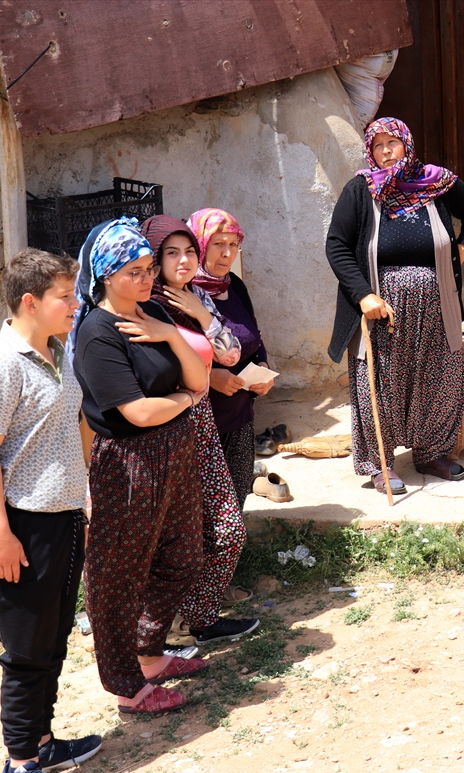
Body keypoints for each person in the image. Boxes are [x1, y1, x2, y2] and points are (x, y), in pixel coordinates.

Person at [0, 248, 101, 773]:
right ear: (30, 302)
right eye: (65, 296)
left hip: (61, 518)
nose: (74, 303)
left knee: (55, 638)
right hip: (18, 524)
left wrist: (83, 496)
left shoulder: (56, 350)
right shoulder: (1, 363)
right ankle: (19, 768)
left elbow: (75, 425)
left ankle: (42, 741)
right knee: (24, 649)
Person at [71, 217, 209, 715]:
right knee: (117, 576)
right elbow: (138, 412)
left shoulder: (150, 313)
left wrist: (170, 334)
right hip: (129, 462)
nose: (147, 279)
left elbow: (201, 376)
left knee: (183, 556)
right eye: (135, 271)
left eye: (150, 268)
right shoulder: (96, 333)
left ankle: (149, 654)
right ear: (107, 274)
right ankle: (126, 684)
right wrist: (184, 399)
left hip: (174, 450)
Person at [325, 117, 464, 493]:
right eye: (377, 145)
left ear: (407, 145)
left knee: (439, 375)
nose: (385, 152)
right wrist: (363, 294)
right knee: (380, 384)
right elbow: (337, 246)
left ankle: (431, 453)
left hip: (436, 303)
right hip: (383, 310)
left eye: (392, 143)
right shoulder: (360, 190)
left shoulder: (436, 182)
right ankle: (380, 463)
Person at [140, 215, 260, 647]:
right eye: (172, 252)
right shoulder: (142, 306)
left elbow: (229, 353)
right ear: (154, 259)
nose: (185, 260)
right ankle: (157, 632)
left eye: (190, 251)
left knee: (226, 529)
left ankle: (200, 618)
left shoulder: (194, 298)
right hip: (162, 429)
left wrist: (200, 316)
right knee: (172, 537)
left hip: (202, 423)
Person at [188, 208, 275, 509]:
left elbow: (254, 335)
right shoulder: (186, 294)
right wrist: (211, 379)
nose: (227, 253)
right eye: (218, 244)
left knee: (235, 500)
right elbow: (175, 353)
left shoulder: (234, 285)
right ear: (199, 245)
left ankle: (233, 558)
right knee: (203, 507)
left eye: (233, 244)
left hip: (240, 415)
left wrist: (263, 368)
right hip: (203, 421)